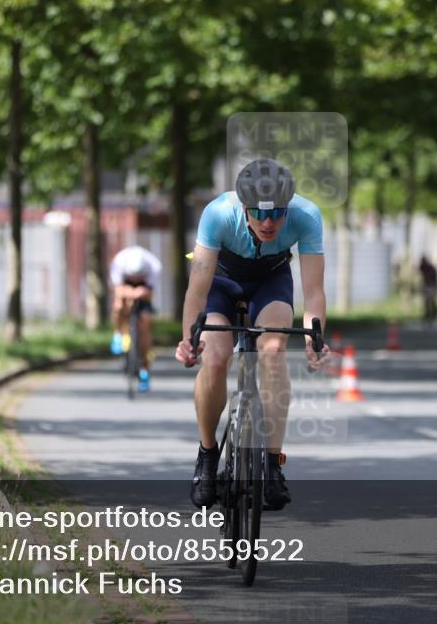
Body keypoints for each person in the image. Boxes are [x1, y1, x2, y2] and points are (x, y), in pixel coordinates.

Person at [175, 159, 330, 511]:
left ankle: (273, 466)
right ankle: (207, 455)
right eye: (259, 214)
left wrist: (313, 339)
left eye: (277, 213)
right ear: (243, 207)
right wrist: (189, 340)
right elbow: (197, 291)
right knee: (215, 356)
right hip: (221, 281)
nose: (268, 222)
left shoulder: (307, 215)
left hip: (270, 281)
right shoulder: (217, 213)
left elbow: (314, 290)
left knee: (273, 350)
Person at [109, 245, 162, 392]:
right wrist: (131, 292)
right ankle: (118, 334)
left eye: (138, 276)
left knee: (145, 322)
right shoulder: (118, 263)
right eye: (132, 276)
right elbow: (118, 289)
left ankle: (144, 368)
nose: (135, 279)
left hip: (143, 289)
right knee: (119, 306)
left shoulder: (154, 266)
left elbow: (149, 292)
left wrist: (141, 292)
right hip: (125, 288)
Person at [419, 256, 437, 324]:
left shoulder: (430, 268)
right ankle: (428, 314)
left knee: (432, 300)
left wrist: (435, 286)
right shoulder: (423, 267)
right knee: (427, 301)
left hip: (431, 285)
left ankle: (433, 314)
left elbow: (434, 277)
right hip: (427, 285)